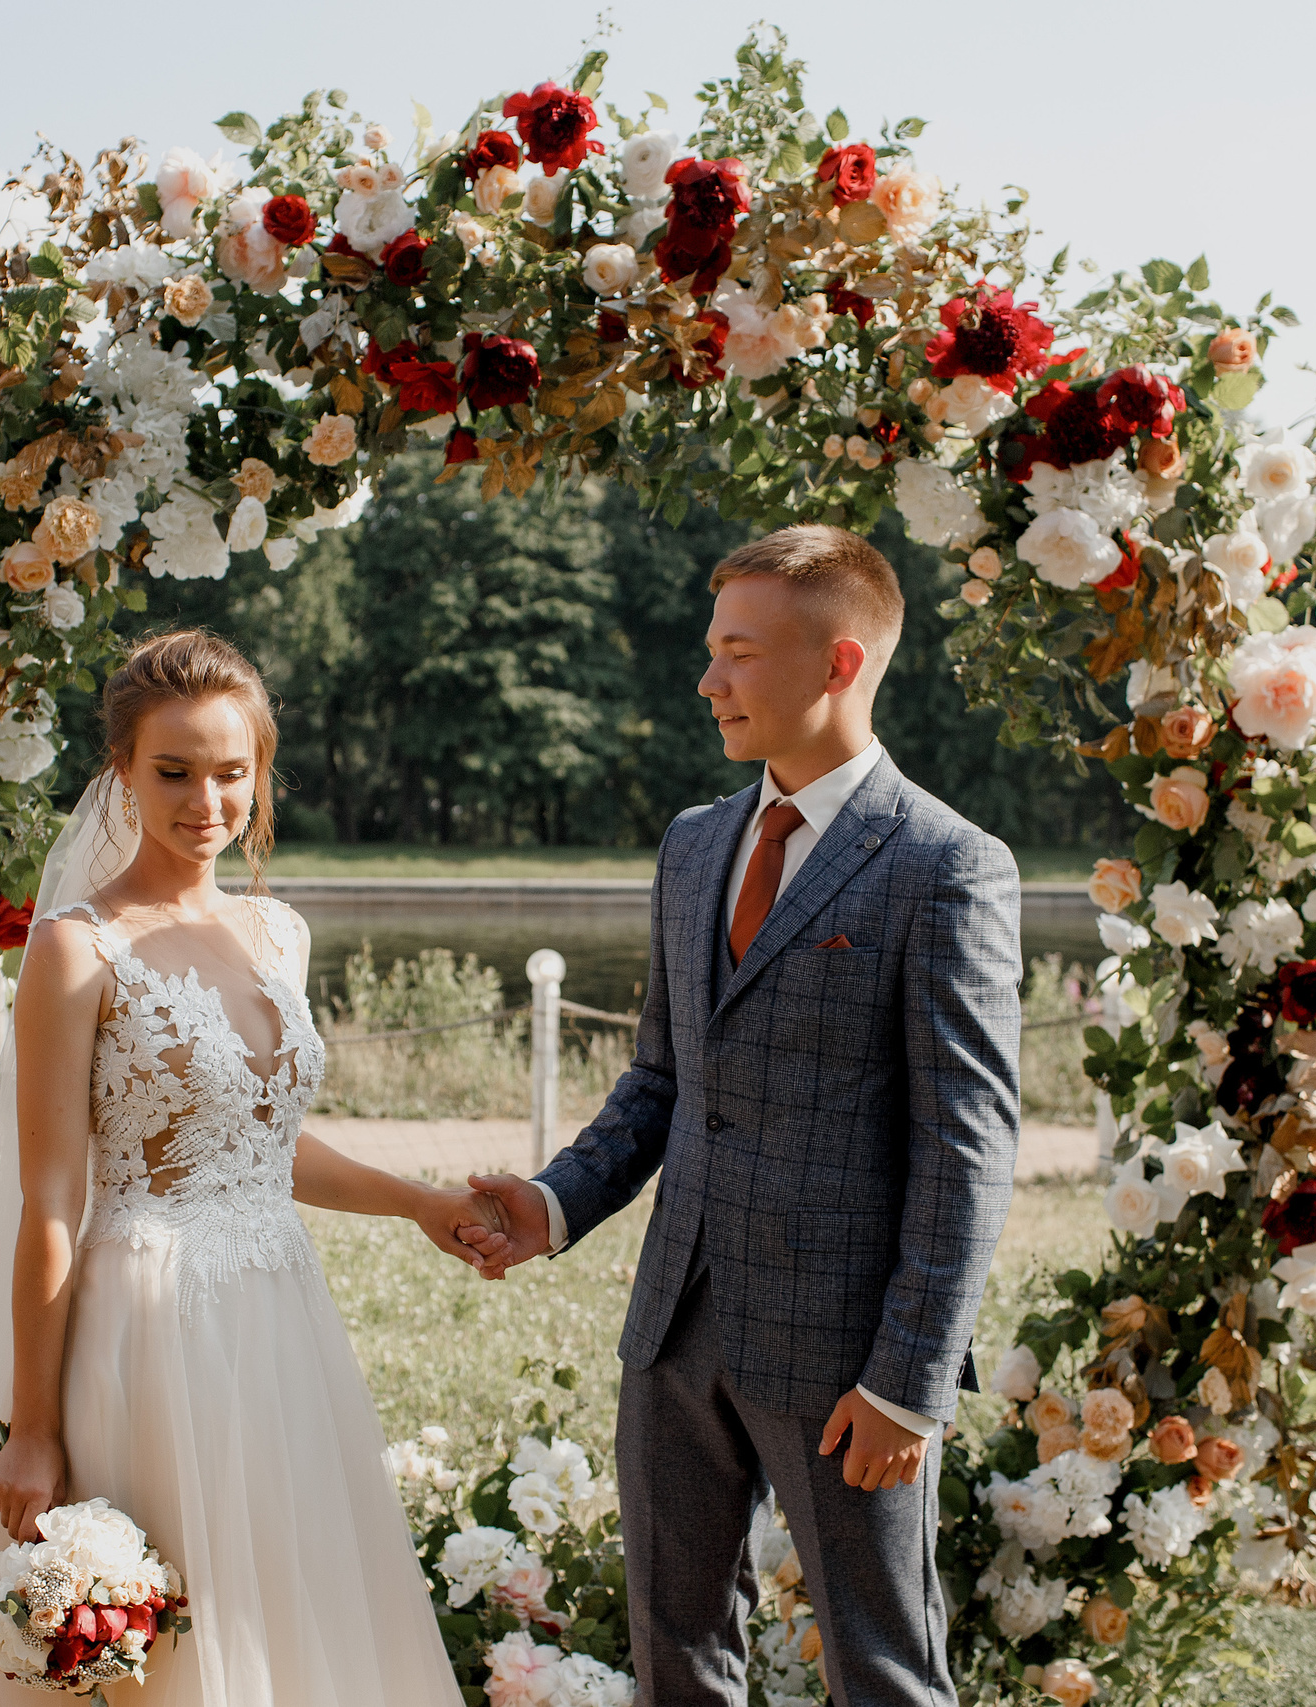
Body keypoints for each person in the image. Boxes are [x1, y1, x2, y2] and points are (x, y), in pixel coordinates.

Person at [0, 629, 488, 1706]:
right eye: (173, 772)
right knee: (159, 1640)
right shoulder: (80, 947)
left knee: (279, 1607)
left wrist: (417, 1205)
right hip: (147, 1323)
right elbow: (49, 1200)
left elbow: (255, 1143)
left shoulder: (278, 933)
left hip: (275, 1316)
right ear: (121, 769)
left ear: (259, 773)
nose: (205, 802)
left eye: (231, 773)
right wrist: (31, 1430)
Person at [459, 525, 1022, 1707]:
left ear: (839, 663)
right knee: (676, 1656)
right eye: (710, 651)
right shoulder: (693, 845)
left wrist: (908, 1381)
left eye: (737, 653)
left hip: (845, 1365)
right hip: (673, 1334)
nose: (708, 681)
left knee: (882, 1669)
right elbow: (662, 1080)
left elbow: (965, 1150)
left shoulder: (945, 867)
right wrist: (557, 1201)